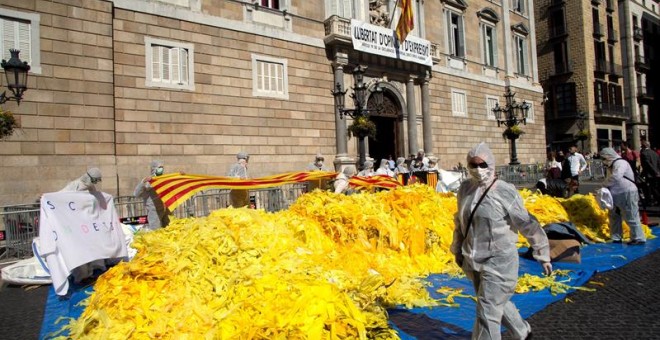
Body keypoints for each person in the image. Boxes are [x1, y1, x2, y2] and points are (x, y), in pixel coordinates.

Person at [451, 142, 552, 340]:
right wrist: (457, 249)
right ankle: (522, 331)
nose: (478, 170)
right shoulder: (465, 189)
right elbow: (461, 223)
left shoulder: (504, 191)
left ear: (492, 164)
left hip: (499, 259)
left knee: (487, 310)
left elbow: (526, 222)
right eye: (473, 165)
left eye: (482, 165)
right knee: (494, 301)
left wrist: (542, 252)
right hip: (473, 257)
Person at [600, 148, 646, 245]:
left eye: (604, 158)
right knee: (614, 216)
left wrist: (604, 184)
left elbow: (616, 176)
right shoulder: (610, 165)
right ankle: (616, 237)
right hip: (615, 194)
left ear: (609, 156)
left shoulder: (620, 163)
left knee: (631, 214)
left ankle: (638, 238)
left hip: (627, 192)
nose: (603, 160)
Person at [134, 160, 170, 231]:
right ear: (154, 169)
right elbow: (136, 194)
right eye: (159, 168)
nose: (161, 170)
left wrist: (181, 176)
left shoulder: (163, 179)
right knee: (156, 232)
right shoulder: (148, 181)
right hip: (154, 212)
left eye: (162, 168)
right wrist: (143, 182)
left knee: (169, 230)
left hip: (165, 210)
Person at [640, 140, 660, 206]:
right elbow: (658, 163)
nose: (641, 146)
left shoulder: (644, 153)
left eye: (642, 145)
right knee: (654, 187)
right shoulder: (655, 153)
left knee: (649, 188)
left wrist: (655, 171)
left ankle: (651, 200)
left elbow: (647, 164)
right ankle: (655, 200)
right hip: (655, 173)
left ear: (644, 146)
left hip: (649, 174)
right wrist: (658, 171)